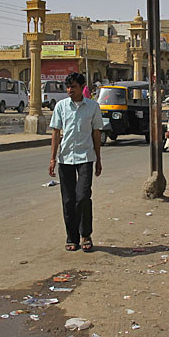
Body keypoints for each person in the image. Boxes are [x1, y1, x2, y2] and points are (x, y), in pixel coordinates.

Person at [49, 72, 103, 252]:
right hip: (66, 159)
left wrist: (98, 159)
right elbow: (56, 132)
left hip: (86, 157)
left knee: (83, 197)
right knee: (68, 200)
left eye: (73, 87)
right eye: (68, 87)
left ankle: (85, 234)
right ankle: (72, 237)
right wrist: (52, 158)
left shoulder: (93, 107)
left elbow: (96, 133)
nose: (70, 90)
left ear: (82, 87)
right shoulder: (61, 106)